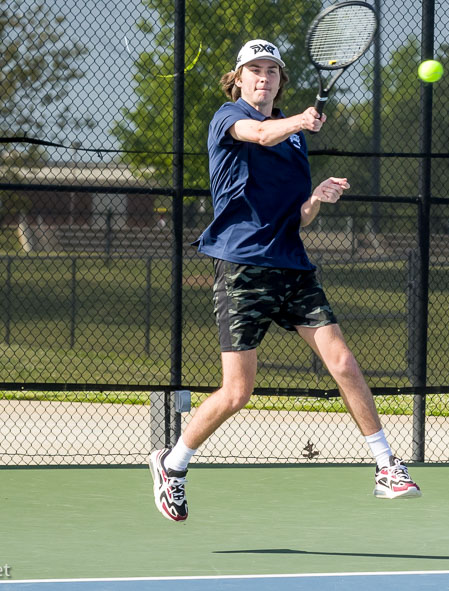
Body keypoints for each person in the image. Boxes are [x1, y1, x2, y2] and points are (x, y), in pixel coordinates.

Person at [147, 38, 421, 523]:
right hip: (243, 266)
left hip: (292, 265)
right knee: (238, 392)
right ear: (238, 78)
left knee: (343, 360)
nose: (263, 77)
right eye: (254, 69)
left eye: (271, 70)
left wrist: (316, 196)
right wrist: (297, 120)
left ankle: (385, 466)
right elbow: (257, 134)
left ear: (280, 80)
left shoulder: (295, 141)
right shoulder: (228, 118)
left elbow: (298, 217)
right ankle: (172, 463)